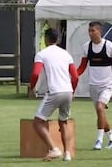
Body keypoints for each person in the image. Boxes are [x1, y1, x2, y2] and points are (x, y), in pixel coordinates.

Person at [30, 28, 79, 161]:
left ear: (46, 39)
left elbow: (35, 73)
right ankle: (67, 153)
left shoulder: (42, 54)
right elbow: (75, 76)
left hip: (54, 92)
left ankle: (54, 149)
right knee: (63, 121)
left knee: (38, 122)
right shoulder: (66, 54)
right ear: (57, 39)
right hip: (67, 91)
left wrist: (32, 88)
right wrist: (73, 91)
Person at [76, 21, 112, 150]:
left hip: (106, 85)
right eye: (89, 31)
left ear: (99, 32)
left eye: (93, 31)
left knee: (101, 109)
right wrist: (72, 75)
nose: (90, 33)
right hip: (93, 86)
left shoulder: (110, 47)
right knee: (100, 114)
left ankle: (99, 141)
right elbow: (82, 67)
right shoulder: (86, 47)